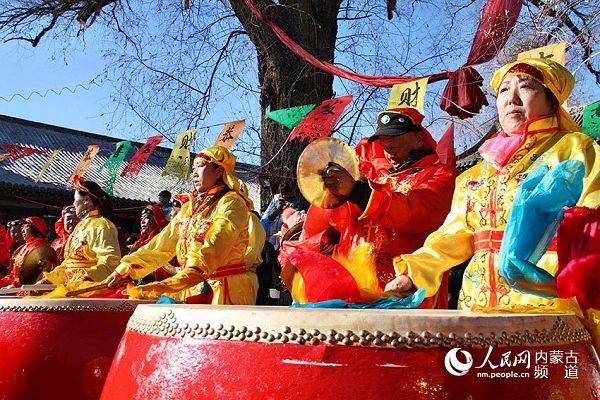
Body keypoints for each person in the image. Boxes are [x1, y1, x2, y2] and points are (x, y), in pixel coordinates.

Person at [385, 58, 600, 314]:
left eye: (527, 87)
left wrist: (575, 278)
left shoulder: (575, 148)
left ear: (552, 100)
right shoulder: (476, 173)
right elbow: (454, 234)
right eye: (504, 89)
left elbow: (593, 219)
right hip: (478, 301)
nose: (512, 98)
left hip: (545, 299)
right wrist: (415, 272)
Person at [280, 108, 460, 306]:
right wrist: (334, 197)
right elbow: (342, 223)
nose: (389, 153)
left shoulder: (441, 176)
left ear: (418, 139)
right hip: (358, 288)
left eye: (396, 145)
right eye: (385, 146)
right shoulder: (377, 179)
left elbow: (414, 213)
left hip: (406, 290)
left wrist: (358, 191)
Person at [106, 146, 266, 305]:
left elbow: (220, 238)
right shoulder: (190, 208)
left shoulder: (232, 202)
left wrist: (193, 270)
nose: (194, 173)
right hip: (192, 284)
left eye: (200, 167)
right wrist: (126, 269)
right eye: (193, 168)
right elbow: (162, 243)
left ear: (219, 172)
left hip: (225, 288)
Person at [41, 180, 121, 284]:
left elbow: (110, 261)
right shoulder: (80, 226)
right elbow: (69, 264)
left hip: (88, 286)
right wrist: (49, 279)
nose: (74, 204)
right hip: (71, 284)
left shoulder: (102, 225)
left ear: (86, 200)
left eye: (75, 199)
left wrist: (89, 276)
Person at [0, 216, 48, 288]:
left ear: (34, 229)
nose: (22, 230)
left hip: (29, 291)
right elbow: (14, 275)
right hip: (19, 288)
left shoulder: (38, 247)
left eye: (26, 227)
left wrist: (15, 285)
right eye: (22, 227)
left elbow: (33, 274)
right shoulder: (24, 247)